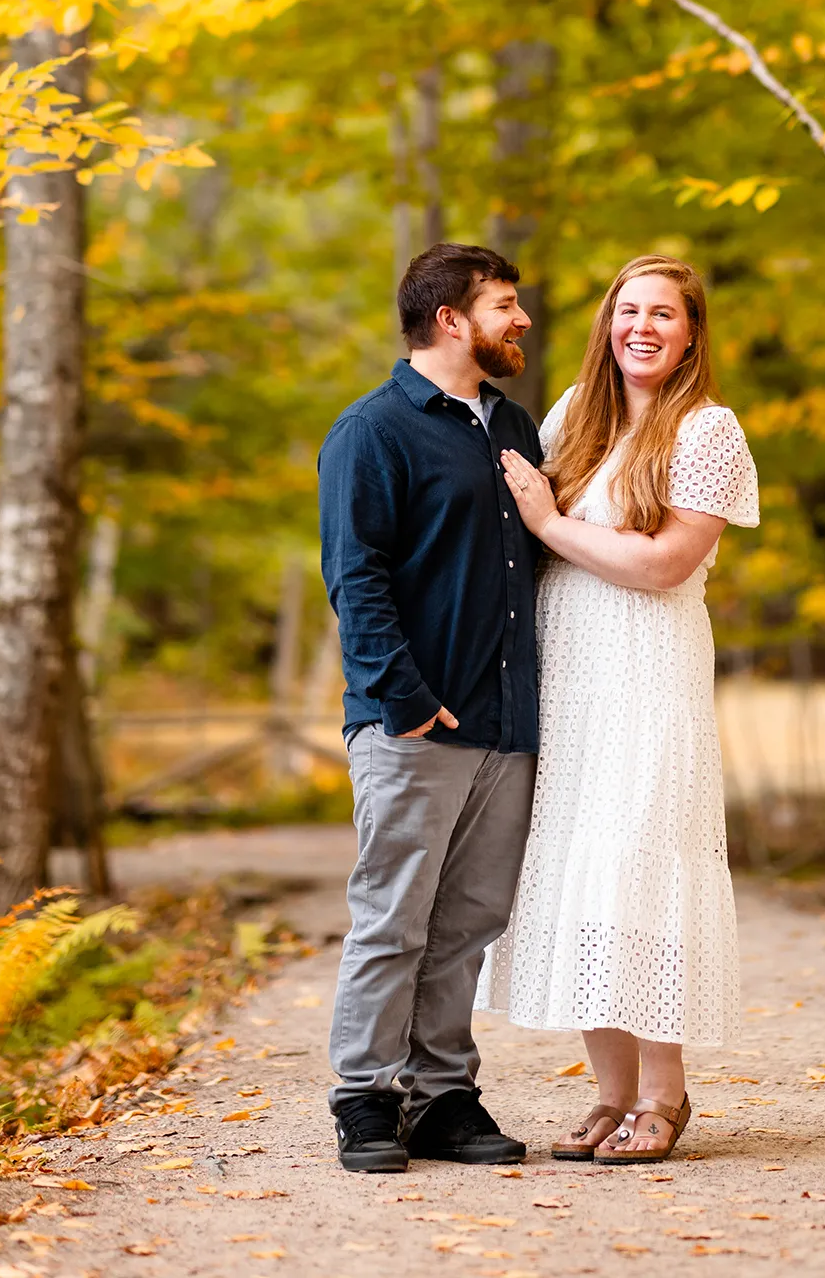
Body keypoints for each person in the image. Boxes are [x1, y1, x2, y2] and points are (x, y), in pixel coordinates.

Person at [482, 254, 759, 1166]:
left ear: (690, 335)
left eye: (664, 315)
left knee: (641, 872)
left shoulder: (709, 430)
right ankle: (609, 1094)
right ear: (608, 324)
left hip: (647, 677)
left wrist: (550, 523)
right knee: (579, 879)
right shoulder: (574, 416)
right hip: (565, 677)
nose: (643, 326)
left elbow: (665, 564)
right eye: (627, 310)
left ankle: (663, 1096)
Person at [319, 243, 543, 1173]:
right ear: (451, 320)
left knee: (469, 923)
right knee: (394, 917)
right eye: (504, 303)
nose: (520, 318)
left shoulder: (515, 427)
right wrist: (405, 700)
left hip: (507, 722)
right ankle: (366, 1098)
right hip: (414, 723)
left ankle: (443, 1095)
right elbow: (355, 575)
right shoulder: (372, 432)